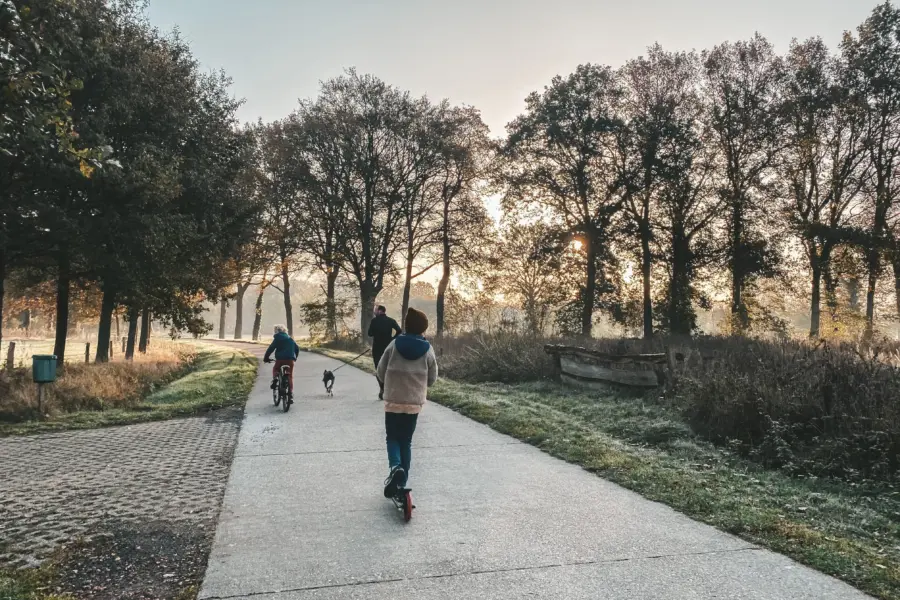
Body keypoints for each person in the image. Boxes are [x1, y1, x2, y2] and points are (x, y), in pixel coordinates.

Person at [377, 307, 438, 498]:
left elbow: (380, 369)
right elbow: (433, 378)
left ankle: (396, 467)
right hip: (413, 403)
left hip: (393, 400)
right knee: (406, 440)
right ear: (423, 328)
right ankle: (402, 482)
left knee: (392, 437)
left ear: (406, 325)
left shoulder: (394, 345)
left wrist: (386, 382)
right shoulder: (428, 349)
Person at [368, 305, 401, 399]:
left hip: (377, 348)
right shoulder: (391, 320)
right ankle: (388, 389)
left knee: (378, 369)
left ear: (379, 311)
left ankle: (382, 388)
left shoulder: (374, 321)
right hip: (388, 348)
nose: (374, 311)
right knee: (388, 368)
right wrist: (392, 339)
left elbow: (369, 334)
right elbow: (399, 331)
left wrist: (376, 332)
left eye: (375, 310)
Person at [264, 325, 300, 401]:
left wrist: (266, 358)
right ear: (285, 331)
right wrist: (295, 357)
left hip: (280, 359)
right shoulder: (290, 339)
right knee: (289, 376)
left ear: (276, 331)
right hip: (290, 360)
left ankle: (276, 378)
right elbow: (297, 348)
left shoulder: (277, 339)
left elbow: (271, 349)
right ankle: (290, 394)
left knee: (275, 368)